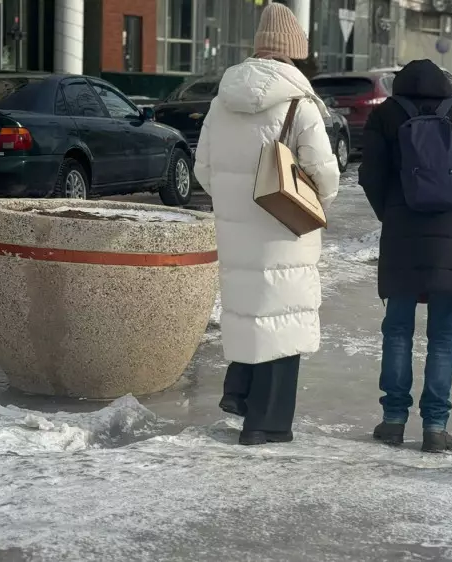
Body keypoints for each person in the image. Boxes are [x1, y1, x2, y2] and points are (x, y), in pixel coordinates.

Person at [193, 3, 341, 446]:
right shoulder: (299, 103)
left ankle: (239, 391)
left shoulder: (221, 102)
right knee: (284, 321)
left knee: (249, 312)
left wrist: (235, 200)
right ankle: (266, 424)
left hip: (236, 230)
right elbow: (326, 176)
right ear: (293, 51)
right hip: (283, 228)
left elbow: (203, 170)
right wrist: (308, 203)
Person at [358, 59, 452, 453]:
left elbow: (370, 175)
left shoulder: (386, 114)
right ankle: (435, 427)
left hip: (402, 231)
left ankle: (394, 420)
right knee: (445, 335)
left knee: (398, 329)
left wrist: (390, 212)